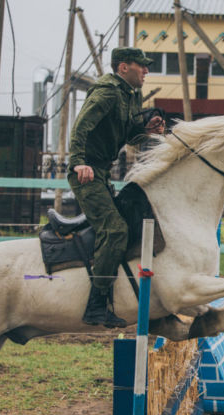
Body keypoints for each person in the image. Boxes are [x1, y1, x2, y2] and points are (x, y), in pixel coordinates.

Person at [67, 47, 165, 327]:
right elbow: (80, 128)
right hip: (86, 173)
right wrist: (77, 162)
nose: (146, 71)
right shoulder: (108, 91)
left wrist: (147, 130)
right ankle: (95, 307)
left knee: (121, 226)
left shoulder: (130, 95)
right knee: (116, 230)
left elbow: (129, 137)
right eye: (141, 66)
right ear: (124, 68)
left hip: (102, 173)